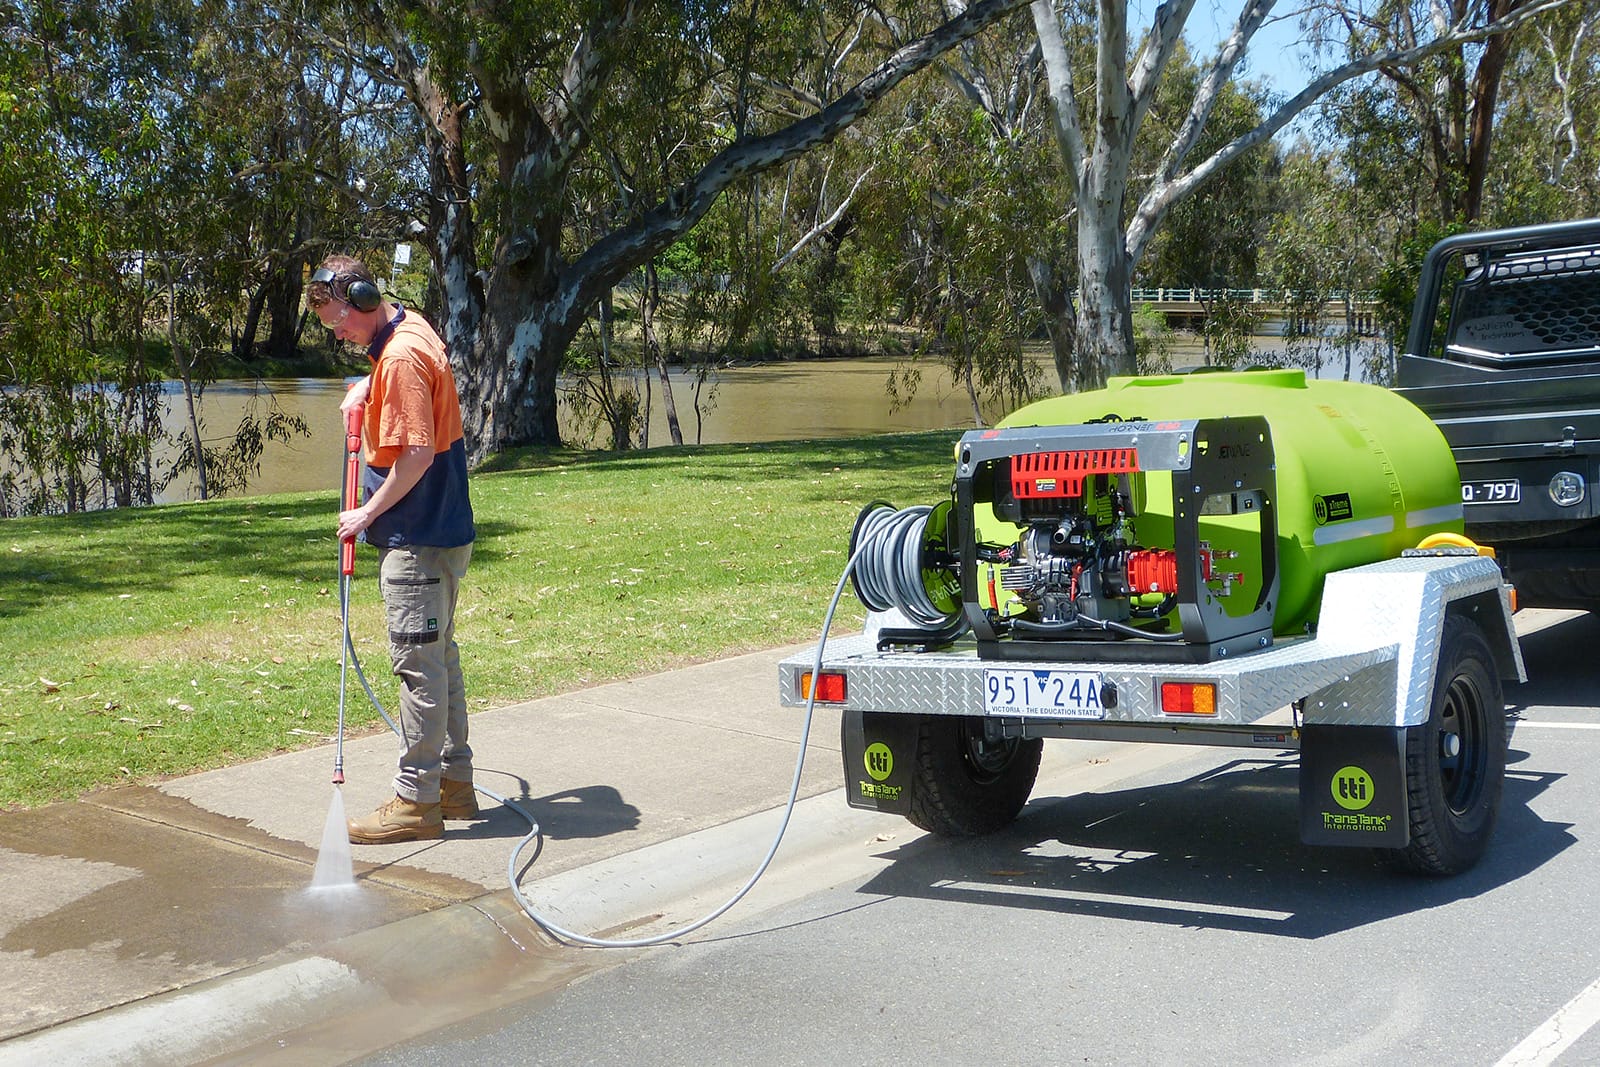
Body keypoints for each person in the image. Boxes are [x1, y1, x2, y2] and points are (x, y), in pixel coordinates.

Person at [309, 254, 479, 844]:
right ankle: (454, 788)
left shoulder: (401, 357)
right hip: (443, 531)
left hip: (418, 538)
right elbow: (410, 387)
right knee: (440, 659)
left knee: (418, 668)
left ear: (361, 299)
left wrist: (365, 514)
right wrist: (366, 385)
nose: (338, 333)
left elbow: (416, 456)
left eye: (340, 322)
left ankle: (415, 801)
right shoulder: (409, 331)